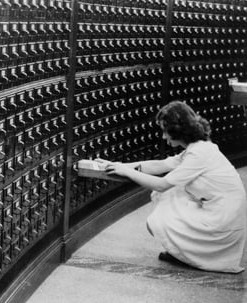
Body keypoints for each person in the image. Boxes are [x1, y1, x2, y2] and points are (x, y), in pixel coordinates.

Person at [97, 100, 247, 273]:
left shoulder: (199, 154)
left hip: (223, 222)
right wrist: (117, 165)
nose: (163, 137)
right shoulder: (198, 148)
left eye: (165, 131)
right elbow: (160, 165)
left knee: (161, 209)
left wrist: (126, 171)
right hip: (221, 212)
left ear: (178, 130)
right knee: (172, 192)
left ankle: (188, 254)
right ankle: (183, 251)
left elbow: (161, 185)